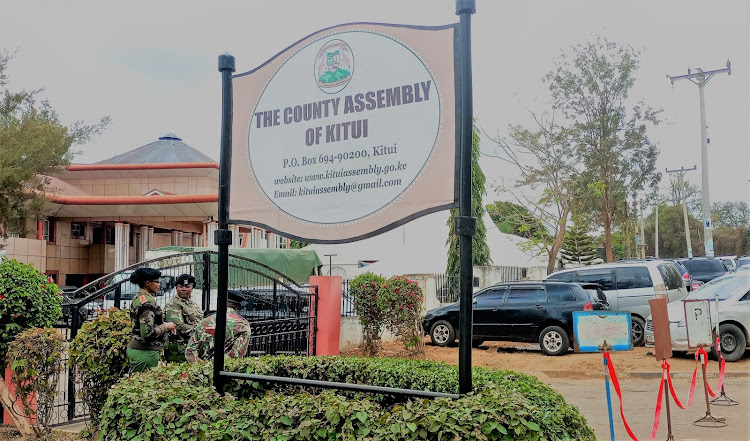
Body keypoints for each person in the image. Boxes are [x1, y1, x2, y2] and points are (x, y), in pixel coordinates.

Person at [126, 268, 176, 372]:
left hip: (141, 351)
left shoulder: (140, 298)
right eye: (157, 282)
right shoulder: (147, 303)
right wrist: (166, 326)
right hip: (144, 352)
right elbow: (147, 333)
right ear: (147, 283)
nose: (159, 285)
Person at [185, 290, 252, 363]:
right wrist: (216, 366)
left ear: (220, 302)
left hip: (201, 370)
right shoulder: (243, 325)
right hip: (226, 370)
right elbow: (236, 354)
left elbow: (190, 351)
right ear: (239, 306)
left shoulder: (204, 322)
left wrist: (203, 366)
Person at [164, 274, 203, 363]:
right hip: (179, 348)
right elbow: (177, 326)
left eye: (187, 286)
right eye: (180, 286)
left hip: (191, 346)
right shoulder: (173, 304)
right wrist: (199, 332)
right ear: (176, 287)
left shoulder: (192, 304)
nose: (184, 289)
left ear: (192, 288)